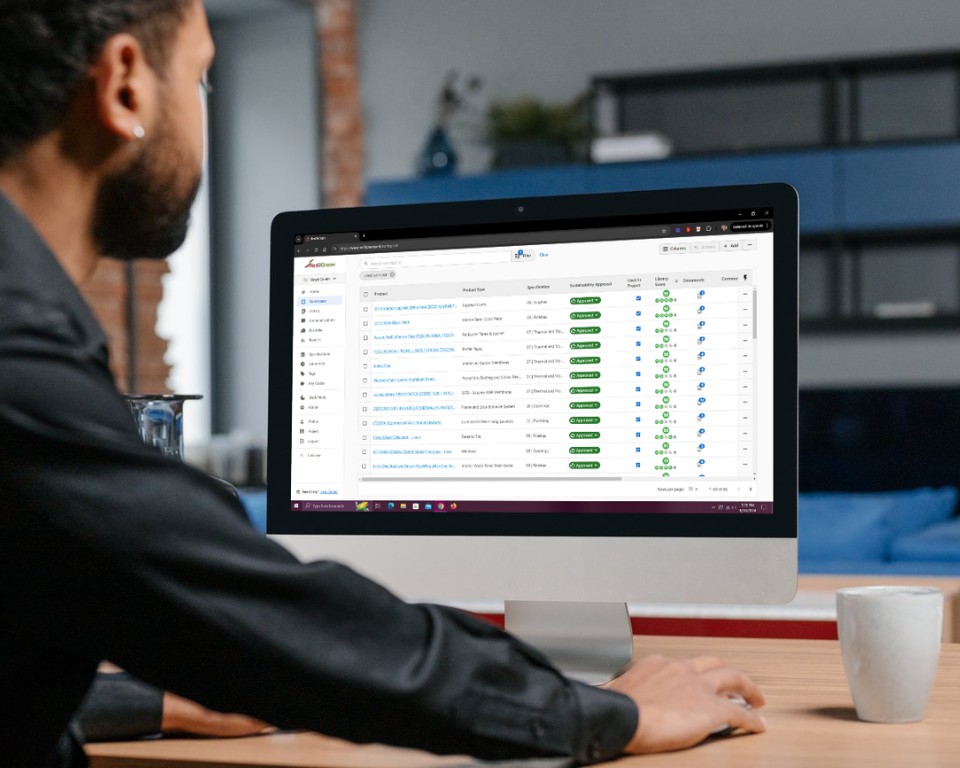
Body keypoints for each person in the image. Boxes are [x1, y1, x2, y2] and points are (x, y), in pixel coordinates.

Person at [0, 2, 767, 767]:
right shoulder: (21, 353)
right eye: (202, 77)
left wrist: (161, 700)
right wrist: (611, 714)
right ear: (125, 86)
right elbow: (271, 619)